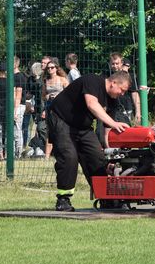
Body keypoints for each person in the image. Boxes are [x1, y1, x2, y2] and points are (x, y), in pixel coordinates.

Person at [47, 72, 131, 211]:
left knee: (97, 158)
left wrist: (109, 151)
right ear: (113, 83)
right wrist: (114, 123)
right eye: (122, 90)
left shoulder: (113, 100)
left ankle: (106, 198)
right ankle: (63, 199)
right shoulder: (91, 81)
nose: (122, 94)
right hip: (61, 119)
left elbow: (107, 129)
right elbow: (92, 104)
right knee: (69, 157)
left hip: (83, 127)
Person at [42, 61, 69, 158]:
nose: (50, 69)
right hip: (50, 107)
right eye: (48, 68)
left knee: (61, 130)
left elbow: (69, 94)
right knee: (50, 131)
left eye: (52, 67)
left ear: (56, 68)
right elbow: (43, 96)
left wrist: (60, 96)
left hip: (61, 108)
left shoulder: (62, 80)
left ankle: (62, 152)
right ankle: (47, 156)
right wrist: (47, 96)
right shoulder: (46, 81)